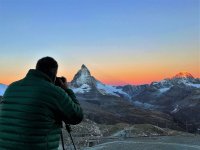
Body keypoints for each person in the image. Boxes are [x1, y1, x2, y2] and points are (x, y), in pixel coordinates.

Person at [0, 56, 83, 150]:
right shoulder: (53, 91)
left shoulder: (11, 87)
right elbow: (77, 116)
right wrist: (66, 90)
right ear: (54, 74)